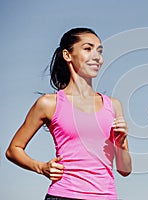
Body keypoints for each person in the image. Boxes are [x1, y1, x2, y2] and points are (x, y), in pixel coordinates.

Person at [6, 27, 132, 200]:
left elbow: (125, 170)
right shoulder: (49, 103)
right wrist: (40, 167)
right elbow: (13, 150)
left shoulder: (113, 105)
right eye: (88, 49)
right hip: (63, 195)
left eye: (99, 51)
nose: (97, 57)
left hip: (106, 196)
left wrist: (122, 142)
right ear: (67, 55)